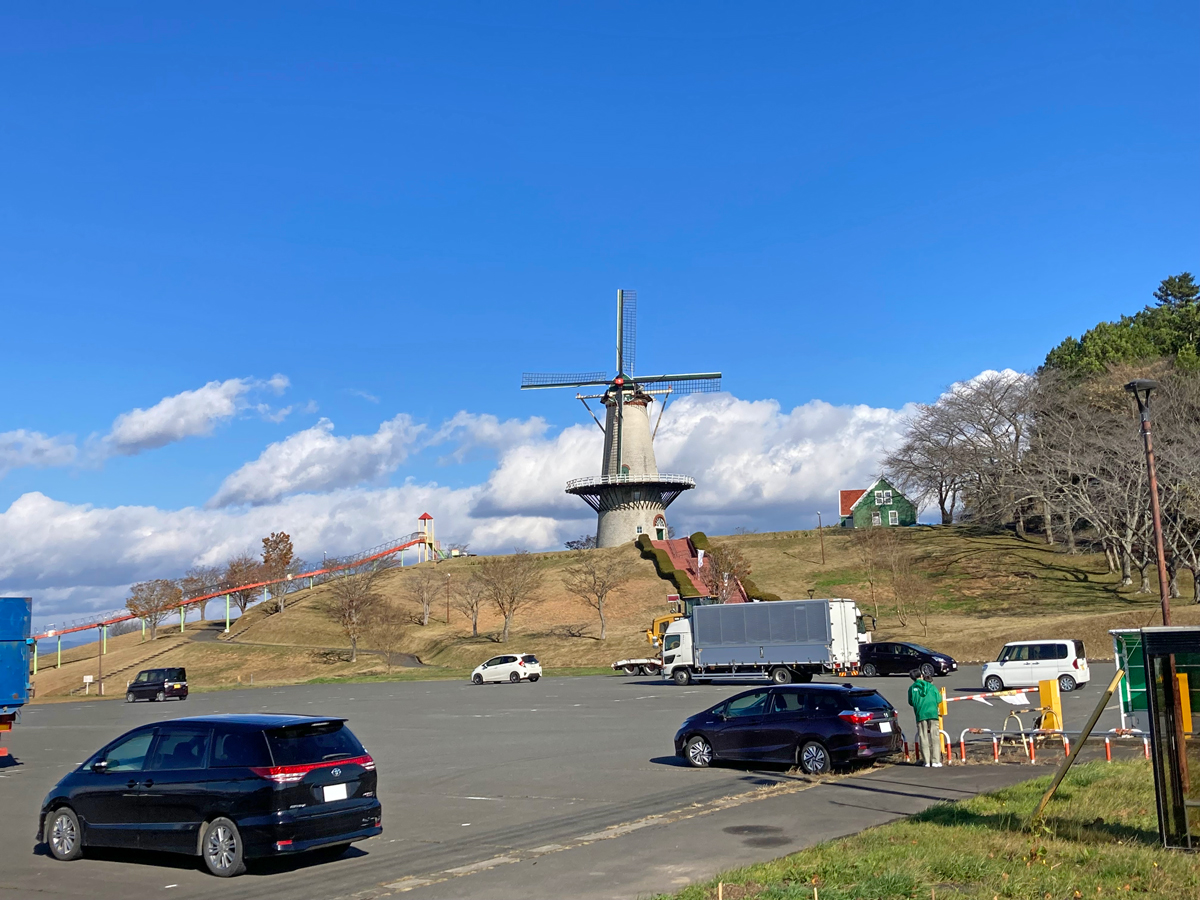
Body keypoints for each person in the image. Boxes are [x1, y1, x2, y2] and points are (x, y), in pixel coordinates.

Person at [908, 668, 942, 767]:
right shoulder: (931, 687)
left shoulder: (912, 688)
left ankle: (926, 761)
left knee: (923, 737)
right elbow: (939, 699)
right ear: (921, 676)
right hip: (932, 713)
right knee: (935, 736)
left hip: (920, 714)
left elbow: (910, 702)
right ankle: (936, 761)